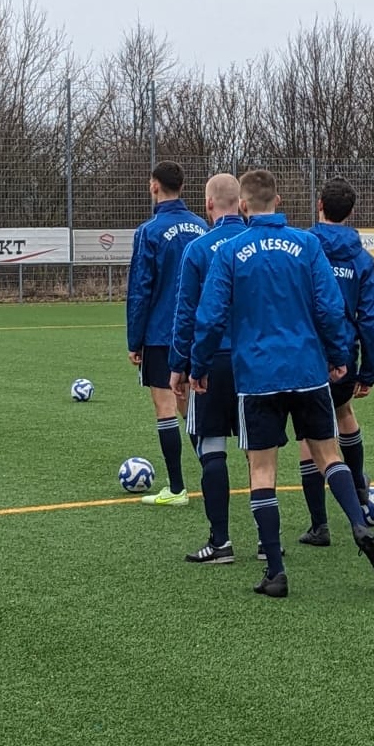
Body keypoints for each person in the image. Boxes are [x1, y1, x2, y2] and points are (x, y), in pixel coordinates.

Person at [189, 169, 374, 598]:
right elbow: (330, 307)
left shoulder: (231, 251)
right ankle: (358, 523)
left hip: (257, 375)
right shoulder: (307, 244)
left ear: (243, 206)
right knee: (328, 454)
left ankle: (276, 571)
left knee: (262, 469)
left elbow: (209, 317)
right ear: (277, 201)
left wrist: (199, 365)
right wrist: (339, 356)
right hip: (307, 369)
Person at [170, 174, 249, 564]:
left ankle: (220, 543)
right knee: (259, 451)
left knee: (212, 445)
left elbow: (187, 314)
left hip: (214, 359)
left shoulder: (199, 249)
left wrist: (179, 365)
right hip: (255, 361)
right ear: (243, 204)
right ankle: (270, 544)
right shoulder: (259, 246)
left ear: (208, 204)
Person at [299, 177, 374, 545]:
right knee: (345, 413)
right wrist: (370, 368)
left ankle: (320, 525)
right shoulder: (361, 258)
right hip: (346, 356)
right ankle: (360, 491)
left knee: (307, 437)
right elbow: (369, 318)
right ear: (351, 213)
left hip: (307, 354)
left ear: (319, 205)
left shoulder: (302, 247)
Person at [126, 161, 208, 507]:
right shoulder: (204, 227)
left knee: (165, 406)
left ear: (154, 186)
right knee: (190, 406)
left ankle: (176, 489)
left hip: (161, 333)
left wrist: (135, 340)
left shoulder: (150, 231)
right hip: (199, 333)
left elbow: (140, 290)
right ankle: (212, 476)